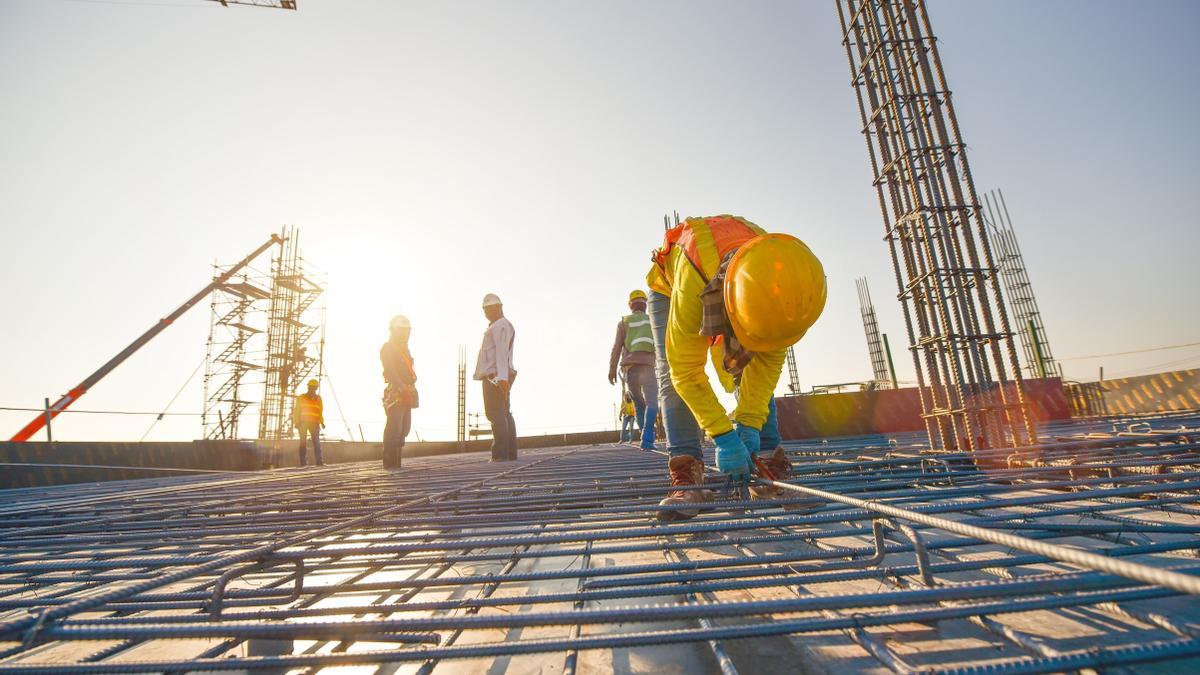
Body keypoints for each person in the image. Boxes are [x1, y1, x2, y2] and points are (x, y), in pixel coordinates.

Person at [646, 215, 826, 520]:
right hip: (674, 284)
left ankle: (768, 463)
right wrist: (724, 436)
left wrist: (750, 424)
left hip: (738, 278)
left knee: (753, 358)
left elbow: (767, 363)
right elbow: (685, 371)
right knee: (669, 372)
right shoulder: (693, 284)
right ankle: (688, 475)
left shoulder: (783, 282)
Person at [608, 289, 659, 449]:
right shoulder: (652, 320)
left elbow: (616, 348)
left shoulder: (624, 322)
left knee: (638, 404)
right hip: (648, 367)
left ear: (631, 305)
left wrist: (611, 370)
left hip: (630, 370)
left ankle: (645, 439)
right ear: (645, 305)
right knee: (652, 403)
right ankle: (647, 438)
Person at [473, 293, 517, 461]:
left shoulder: (501, 325)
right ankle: (510, 453)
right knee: (504, 413)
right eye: (486, 309)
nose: (487, 312)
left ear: (499, 308)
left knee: (495, 413)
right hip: (499, 375)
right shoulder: (499, 326)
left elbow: (500, 352)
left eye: (490, 309)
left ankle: (500, 454)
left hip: (495, 377)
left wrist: (502, 379)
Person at [380, 315, 418, 469]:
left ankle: (397, 462)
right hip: (397, 391)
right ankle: (390, 464)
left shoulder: (405, 350)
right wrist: (401, 388)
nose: (405, 334)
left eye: (407, 331)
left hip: (407, 390)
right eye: (402, 331)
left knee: (405, 427)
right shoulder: (388, 348)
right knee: (394, 427)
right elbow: (390, 370)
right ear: (394, 331)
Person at [292, 379, 325, 467]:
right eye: (311, 387)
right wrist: (296, 422)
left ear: (316, 388)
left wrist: (322, 422)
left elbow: (320, 411)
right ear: (308, 387)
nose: (312, 390)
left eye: (314, 388)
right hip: (303, 423)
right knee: (303, 442)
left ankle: (319, 461)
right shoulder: (301, 398)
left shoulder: (319, 399)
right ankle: (303, 463)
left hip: (315, 423)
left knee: (316, 442)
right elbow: (297, 411)